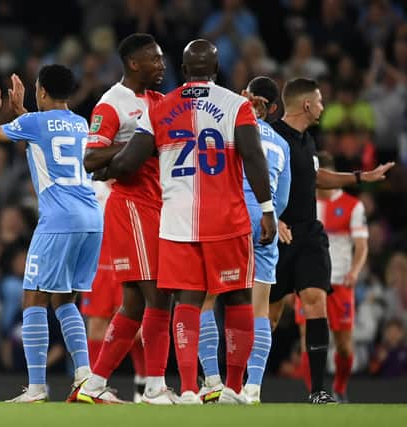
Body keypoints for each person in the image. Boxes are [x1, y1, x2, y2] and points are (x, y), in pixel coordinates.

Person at [99, 39, 276, 405]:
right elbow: (255, 158)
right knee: (238, 296)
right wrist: (268, 208)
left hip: (176, 222)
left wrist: (103, 168)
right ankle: (234, 388)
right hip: (228, 219)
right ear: (216, 69)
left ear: (182, 70)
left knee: (186, 302)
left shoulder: (161, 108)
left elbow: (130, 161)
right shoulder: (236, 105)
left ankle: (191, 389)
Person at [0, 65, 103, 403]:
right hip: (91, 219)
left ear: (41, 91)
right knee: (64, 299)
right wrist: (23, 113)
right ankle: (84, 375)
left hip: (59, 219)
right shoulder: (80, 122)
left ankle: (36, 388)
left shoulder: (34, 123)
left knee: (32, 298)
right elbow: (47, 131)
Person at [268, 77, 393, 404]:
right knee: (268, 317)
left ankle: (319, 390)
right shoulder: (269, 136)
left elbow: (314, 176)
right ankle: (242, 383)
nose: (324, 106)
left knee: (315, 302)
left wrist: (358, 178)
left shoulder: (309, 141)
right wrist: (272, 217)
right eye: (320, 101)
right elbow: (252, 180)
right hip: (278, 236)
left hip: (309, 233)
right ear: (307, 104)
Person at [77, 33, 173, 404]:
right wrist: (138, 143)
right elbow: (91, 159)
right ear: (134, 63)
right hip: (132, 205)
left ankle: (96, 382)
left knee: (133, 303)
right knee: (158, 297)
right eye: (156, 59)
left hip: (158, 205)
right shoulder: (111, 104)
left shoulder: (160, 100)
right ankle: (154, 386)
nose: (162, 66)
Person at [196, 76, 291, 404]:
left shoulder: (230, 128)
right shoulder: (282, 144)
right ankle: (252, 389)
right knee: (259, 308)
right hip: (266, 222)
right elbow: (282, 200)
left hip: (232, 216)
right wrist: (267, 216)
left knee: (209, 299)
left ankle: (212, 380)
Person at [294, 151, 369, 403]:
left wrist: (355, 272)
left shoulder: (352, 206)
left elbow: (361, 245)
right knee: (308, 339)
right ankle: (314, 392)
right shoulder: (306, 203)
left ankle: (339, 387)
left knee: (345, 346)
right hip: (309, 280)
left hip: (340, 281)